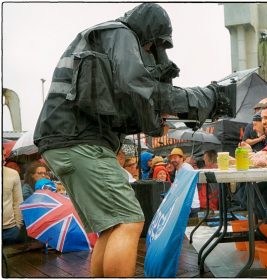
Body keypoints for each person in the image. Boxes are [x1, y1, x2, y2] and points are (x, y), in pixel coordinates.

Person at [33, 3, 232, 277]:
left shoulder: (104, 37)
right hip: (79, 141)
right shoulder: (121, 32)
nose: (149, 51)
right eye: (150, 46)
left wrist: (154, 119)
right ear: (147, 32)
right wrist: (198, 99)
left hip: (67, 140)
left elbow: (123, 93)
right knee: (129, 220)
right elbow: (135, 84)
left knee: (113, 225)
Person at [168, 147, 200, 217]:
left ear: (182, 158)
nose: (173, 160)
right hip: (186, 205)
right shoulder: (178, 171)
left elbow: (182, 188)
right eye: (172, 158)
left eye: (175, 157)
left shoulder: (186, 168)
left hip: (190, 205)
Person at [3, 147, 24, 245]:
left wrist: (18, 225)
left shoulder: (13, 174)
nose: (3, 159)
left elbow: (18, 201)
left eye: (3, 155)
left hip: (10, 230)